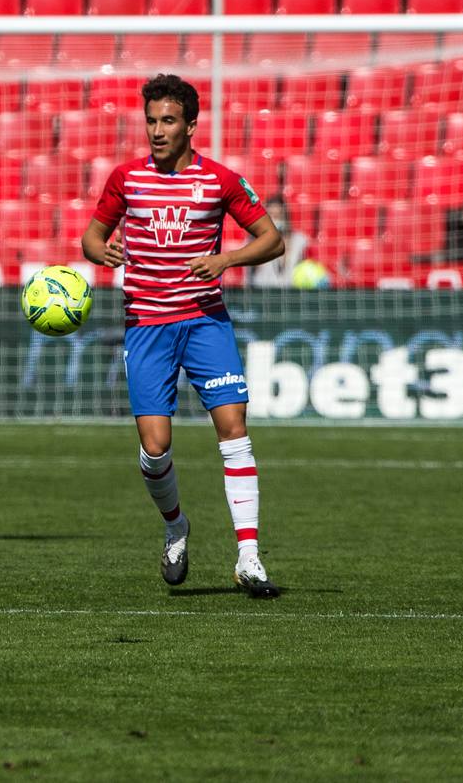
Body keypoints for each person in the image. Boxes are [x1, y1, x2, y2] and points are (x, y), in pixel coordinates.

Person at [81, 74, 286, 599]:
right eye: (151, 120)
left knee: (234, 428)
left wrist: (226, 258)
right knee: (155, 449)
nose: (156, 130)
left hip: (204, 320)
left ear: (191, 125)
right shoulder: (126, 179)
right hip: (147, 326)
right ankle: (176, 526)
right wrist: (97, 250)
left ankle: (249, 556)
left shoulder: (219, 180)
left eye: (167, 120)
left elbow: (271, 240)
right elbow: (92, 234)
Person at [249, 196, 310, 288]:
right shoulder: (255, 241)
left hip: (292, 292)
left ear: (285, 217)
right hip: (263, 291)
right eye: (271, 216)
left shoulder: (299, 240)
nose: (275, 220)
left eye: (278, 216)